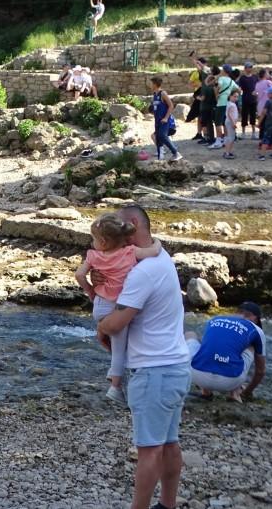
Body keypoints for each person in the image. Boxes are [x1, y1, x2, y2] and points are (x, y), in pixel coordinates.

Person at [98, 205, 190, 509]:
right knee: (169, 443)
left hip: (153, 373)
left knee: (149, 450)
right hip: (176, 367)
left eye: (119, 227)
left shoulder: (143, 271)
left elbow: (117, 321)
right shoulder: (162, 259)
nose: (114, 234)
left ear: (134, 224)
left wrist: (100, 325)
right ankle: (167, 504)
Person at [75, 213, 161, 404]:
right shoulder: (129, 252)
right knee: (120, 348)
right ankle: (115, 387)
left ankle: (114, 374)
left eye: (93, 239)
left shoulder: (94, 256)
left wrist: (90, 291)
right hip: (117, 308)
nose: (92, 243)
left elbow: (79, 275)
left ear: (104, 242)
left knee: (116, 345)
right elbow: (154, 252)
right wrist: (157, 242)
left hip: (99, 306)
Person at [186, 302, 266, 402]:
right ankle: (234, 393)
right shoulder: (256, 329)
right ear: (256, 318)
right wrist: (247, 393)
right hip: (230, 381)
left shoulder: (215, 319)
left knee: (191, 334)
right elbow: (260, 372)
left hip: (196, 375)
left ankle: (205, 392)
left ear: (236, 312)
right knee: (250, 346)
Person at [149, 77, 183, 161]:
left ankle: (176, 153)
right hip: (157, 121)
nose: (150, 85)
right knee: (158, 138)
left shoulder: (162, 93)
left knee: (162, 136)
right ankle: (160, 158)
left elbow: (171, 106)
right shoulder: (154, 94)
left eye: (151, 83)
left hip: (165, 120)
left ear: (155, 84)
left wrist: (166, 118)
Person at [211, 64, 241, 150]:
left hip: (220, 103)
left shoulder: (221, 79)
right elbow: (238, 89)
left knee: (218, 123)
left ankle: (218, 141)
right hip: (228, 103)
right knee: (225, 122)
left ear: (224, 71)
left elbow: (219, 86)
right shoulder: (231, 81)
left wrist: (216, 95)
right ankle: (225, 140)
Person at [196, 68, 219, 145]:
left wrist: (198, 97)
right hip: (211, 107)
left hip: (204, 108)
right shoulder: (214, 88)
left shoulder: (205, 88)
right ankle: (212, 138)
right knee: (210, 124)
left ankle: (206, 138)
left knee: (204, 124)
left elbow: (203, 98)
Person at [237, 61, 258, 139]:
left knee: (253, 116)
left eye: (251, 67)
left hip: (253, 99)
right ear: (245, 68)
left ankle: (253, 133)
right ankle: (243, 133)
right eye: (249, 67)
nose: (251, 68)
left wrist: (257, 92)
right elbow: (240, 88)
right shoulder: (242, 78)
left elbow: (258, 86)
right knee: (244, 116)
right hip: (245, 99)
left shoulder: (255, 77)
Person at [223, 90, 240, 160]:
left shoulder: (230, 103)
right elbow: (230, 114)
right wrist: (233, 123)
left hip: (229, 122)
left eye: (237, 97)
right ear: (230, 96)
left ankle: (228, 151)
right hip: (230, 122)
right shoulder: (231, 104)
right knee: (231, 138)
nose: (236, 98)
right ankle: (227, 152)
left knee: (230, 137)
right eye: (234, 96)